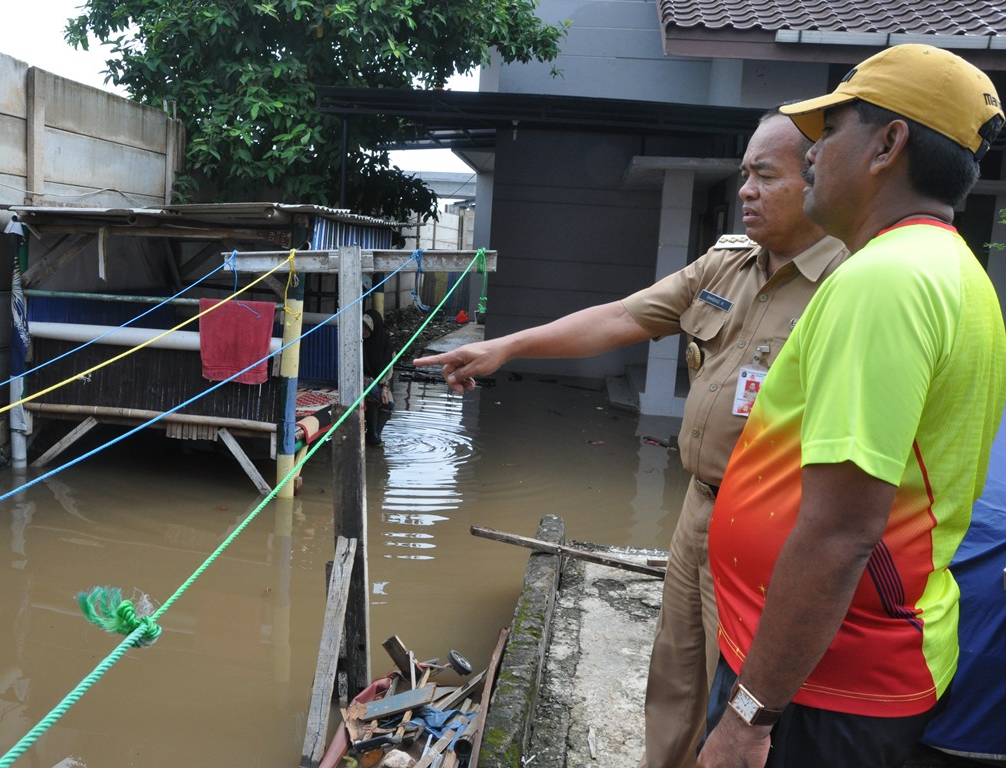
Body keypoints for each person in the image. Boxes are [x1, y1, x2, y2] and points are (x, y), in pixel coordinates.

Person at [414, 110, 849, 768]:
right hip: (698, 511)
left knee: (736, 702)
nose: (745, 191)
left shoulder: (849, 288)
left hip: (771, 531)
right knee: (672, 681)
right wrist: (505, 346)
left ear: (815, 180)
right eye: (743, 175)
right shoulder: (725, 266)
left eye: (765, 174)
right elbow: (622, 315)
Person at [698, 44, 1006, 768]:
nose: (811, 156)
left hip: (819, 689)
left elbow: (841, 533)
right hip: (825, 672)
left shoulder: (888, 281)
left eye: (830, 132)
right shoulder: (949, 268)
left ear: (888, 144)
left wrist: (748, 716)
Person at [363, 307, 395, 445]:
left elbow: (389, 370)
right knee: (375, 398)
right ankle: (372, 435)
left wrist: (385, 388)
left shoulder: (386, 343)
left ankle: (376, 433)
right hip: (363, 381)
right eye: (362, 327)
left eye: (367, 328)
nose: (364, 331)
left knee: (389, 403)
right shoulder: (359, 343)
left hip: (381, 382)